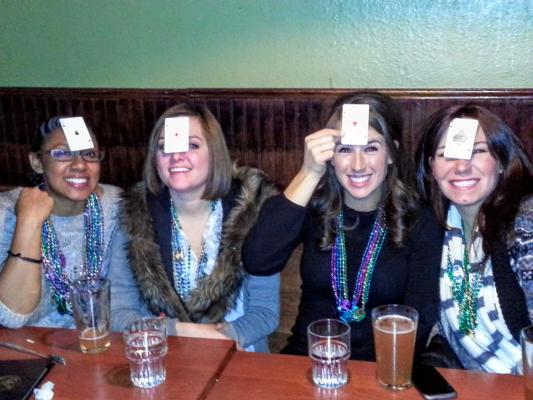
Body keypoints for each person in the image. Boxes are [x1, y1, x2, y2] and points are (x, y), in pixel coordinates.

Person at [243, 92, 443, 360]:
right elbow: (257, 261)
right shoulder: (311, 206)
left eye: (371, 148)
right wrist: (309, 172)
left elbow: (419, 322)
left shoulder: (421, 220)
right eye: (345, 149)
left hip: (383, 367)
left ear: (391, 153)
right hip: (307, 360)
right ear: (330, 155)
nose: (357, 165)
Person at [109, 103, 280, 352]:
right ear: (155, 159)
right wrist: (180, 331)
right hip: (162, 354)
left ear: (215, 153)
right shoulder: (135, 214)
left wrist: (224, 340)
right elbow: (118, 311)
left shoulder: (254, 211)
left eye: (191, 145)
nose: (177, 156)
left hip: (240, 354)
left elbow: (265, 313)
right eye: (165, 147)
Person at [415, 104, 533, 374]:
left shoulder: (526, 225)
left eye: (477, 151)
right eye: (447, 155)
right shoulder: (437, 228)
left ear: (501, 160)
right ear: (432, 167)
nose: (461, 166)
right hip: (475, 385)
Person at [0, 116, 123, 328]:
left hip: (101, 340)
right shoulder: (6, 212)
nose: (80, 165)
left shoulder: (118, 207)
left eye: (89, 154)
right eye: (63, 153)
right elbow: (11, 316)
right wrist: (29, 221)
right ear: (37, 162)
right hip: (30, 343)